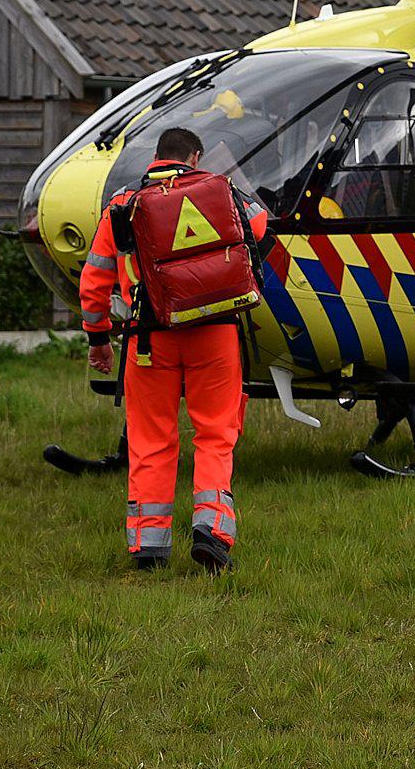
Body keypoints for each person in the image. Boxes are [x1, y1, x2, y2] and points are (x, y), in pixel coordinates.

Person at [80, 126, 274, 572]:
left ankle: (149, 546)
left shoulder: (123, 203)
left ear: (156, 157)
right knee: (215, 434)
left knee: (151, 439)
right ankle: (212, 531)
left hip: (149, 338)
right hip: (215, 332)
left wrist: (98, 338)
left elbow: (94, 280)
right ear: (195, 157)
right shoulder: (221, 189)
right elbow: (263, 229)